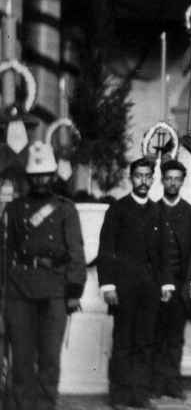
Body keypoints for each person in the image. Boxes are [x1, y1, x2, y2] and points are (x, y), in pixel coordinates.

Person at [4, 142, 86, 410]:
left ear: (53, 176)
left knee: (50, 359)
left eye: (45, 175)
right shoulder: (14, 209)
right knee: (22, 359)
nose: (40, 180)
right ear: (29, 177)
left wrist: (74, 291)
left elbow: (76, 251)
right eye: (35, 176)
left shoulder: (65, 209)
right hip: (19, 289)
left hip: (54, 290)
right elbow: (5, 251)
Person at [98, 157, 174, 410]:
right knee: (123, 341)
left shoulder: (158, 211)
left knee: (145, 341)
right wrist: (108, 285)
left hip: (149, 289)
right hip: (123, 288)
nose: (143, 181)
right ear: (131, 178)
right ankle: (119, 395)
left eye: (147, 176)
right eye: (138, 176)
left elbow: (164, 252)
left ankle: (140, 394)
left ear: (153, 179)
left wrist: (166, 284)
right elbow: (106, 249)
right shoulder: (118, 209)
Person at [151, 159, 191, 400]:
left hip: (182, 285)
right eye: (169, 178)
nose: (173, 183)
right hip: (155, 285)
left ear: (182, 182)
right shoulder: (151, 211)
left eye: (177, 179)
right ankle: (155, 384)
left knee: (175, 337)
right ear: (162, 180)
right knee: (156, 335)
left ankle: (173, 383)